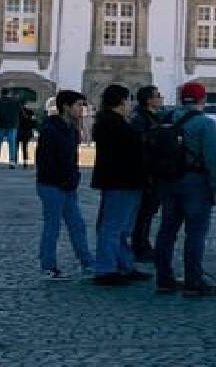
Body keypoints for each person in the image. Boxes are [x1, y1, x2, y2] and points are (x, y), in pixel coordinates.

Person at [152, 81, 216, 297]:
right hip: (195, 183)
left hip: (167, 180)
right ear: (203, 100)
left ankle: (164, 278)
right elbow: (212, 158)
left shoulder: (165, 118)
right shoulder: (205, 123)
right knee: (195, 233)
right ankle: (193, 280)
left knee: (167, 230)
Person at [90, 84, 150, 286]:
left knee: (120, 227)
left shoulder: (109, 122)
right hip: (122, 181)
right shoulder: (115, 124)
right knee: (113, 226)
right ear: (121, 101)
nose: (131, 104)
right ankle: (106, 268)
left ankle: (124, 264)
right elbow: (134, 148)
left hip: (120, 180)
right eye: (129, 100)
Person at [35, 89, 95, 280]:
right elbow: (45, 161)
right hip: (52, 185)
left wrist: (74, 177)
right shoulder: (50, 130)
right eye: (78, 105)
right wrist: (62, 179)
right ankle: (48, 266)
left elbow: (72, 158)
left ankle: (87, 261)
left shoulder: (71, 129)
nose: (81, 109)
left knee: (77, 224)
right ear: (65, 107)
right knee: (52, 226)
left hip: (68, 185)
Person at [130, 85, 164, 262]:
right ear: (149, 100)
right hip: (146, 172)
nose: (161, 98)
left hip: (154, 171)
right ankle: (139, 245)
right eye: (158, 96)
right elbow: (143, 145)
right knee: (143, 212)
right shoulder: (141, 119)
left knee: (149, 212)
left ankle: (143, 243)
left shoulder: (152, 117)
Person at [0, 88, 23, 169]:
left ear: (2, 94)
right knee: (12, 145)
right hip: (12, 126)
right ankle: (12, 162)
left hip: (0, 125)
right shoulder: (16, 102)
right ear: (9, 93)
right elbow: (21, 113)